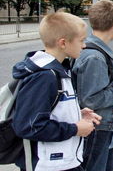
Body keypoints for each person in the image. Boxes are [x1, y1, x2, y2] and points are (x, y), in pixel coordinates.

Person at [12, 12, 101, 171]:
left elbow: (49, 110)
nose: (84, 45)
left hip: (63, 162)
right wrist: (75, 129)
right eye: (81, 40)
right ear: (63, 43)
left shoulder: (59, 70)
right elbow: (29, 126)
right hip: (48, 165)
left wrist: (77, 114)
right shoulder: (44, 77)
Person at [72, 0, 113, 171]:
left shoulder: (93, 51)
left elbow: (90, 85)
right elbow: (91, 99)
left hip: (99, 126)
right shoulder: (95, 57)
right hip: (96, 128)